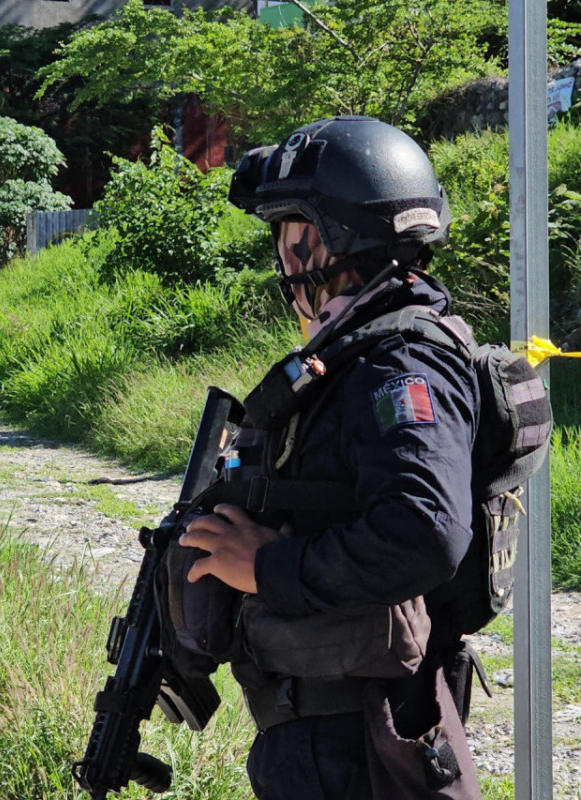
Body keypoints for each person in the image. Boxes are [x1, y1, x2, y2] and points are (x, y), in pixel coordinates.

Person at [176, 117, 483, 799]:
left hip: (361, 749)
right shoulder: (355, 355)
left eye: (292, 240)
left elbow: (423, 531)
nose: (285, 266)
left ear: (337, 238)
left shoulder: (401, 363)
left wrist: (265, 566)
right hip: (336, 737)